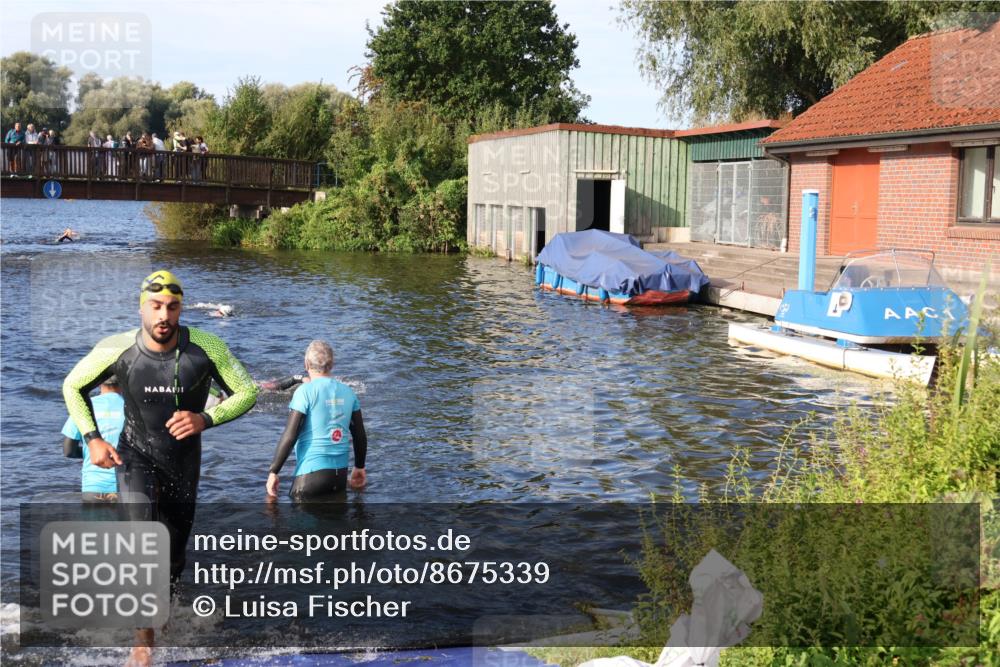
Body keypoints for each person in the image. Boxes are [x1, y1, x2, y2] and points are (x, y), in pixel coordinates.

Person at [62, 269, 258, 666]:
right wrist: (92, 438)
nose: (163, 315)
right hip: (135, 456)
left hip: (183, 464)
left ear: (181, 308)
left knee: (172, 556)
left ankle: (159, 617)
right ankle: (143, 640)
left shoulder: (206, 348)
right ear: (142, 309)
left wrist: (207, 419)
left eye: (171, 306)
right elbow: (73, 385)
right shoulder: (116, 349)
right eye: (155, 306)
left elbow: (248, 391)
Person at [266, 341, 367, 500]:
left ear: (306, 364)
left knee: (284, 517)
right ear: (332, 364)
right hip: (339, 477)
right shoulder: (349, 392)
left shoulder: (304, 391)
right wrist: (360, 467)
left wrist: (274, 471)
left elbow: (290, 435)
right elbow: (359, 435)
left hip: (310, 476)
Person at [61, 376, 124, 502]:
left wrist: (92, 452)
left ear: (98, 383)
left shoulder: (84, 408)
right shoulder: (134, 408)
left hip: (93, 486)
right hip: (128, 485)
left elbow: (68, 451)